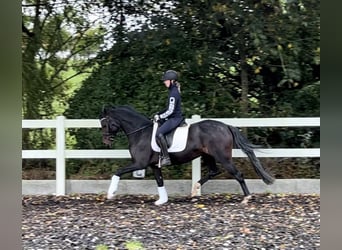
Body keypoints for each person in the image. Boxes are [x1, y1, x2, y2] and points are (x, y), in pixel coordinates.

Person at [154, 70, 184, 166]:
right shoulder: (173, 91)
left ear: (172, 81)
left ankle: (166, 158)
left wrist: (159, 117)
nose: (164, 82)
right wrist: (158, 113)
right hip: (173, 117)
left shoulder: (173, 93)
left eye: (166, 80)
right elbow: (168, 108)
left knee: (159, 133)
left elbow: (170, 111)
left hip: (175, 119)